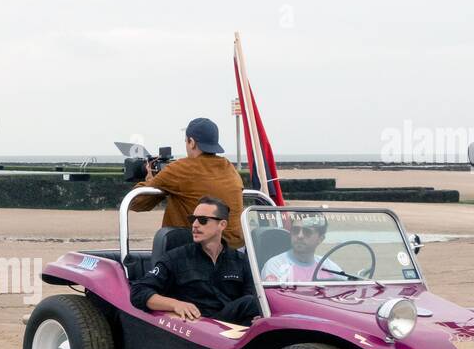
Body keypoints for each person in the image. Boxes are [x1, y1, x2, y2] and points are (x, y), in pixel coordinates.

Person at [130, 196, 261, 324]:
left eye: (203, 220)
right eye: (193, 219)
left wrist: (259, 318)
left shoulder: (240, 260)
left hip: (232, 328)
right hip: (195, 327)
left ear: (222, 224)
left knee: (256, 301)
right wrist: (175, 304)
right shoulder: (175, 258)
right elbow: (139, 291)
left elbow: (253, 297)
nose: (195, 225)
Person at [130, 117, 245, 249]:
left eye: (186, 141)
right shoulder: (229, 168)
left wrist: (150, 180)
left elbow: (136, 202)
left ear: (191, 142)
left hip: (198, 255)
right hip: (234, 251)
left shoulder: (182, 168)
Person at [260, 212, 343, 282]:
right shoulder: (275, 266)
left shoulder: (329, 267)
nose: (300, 235)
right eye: (295, 230)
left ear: (320, 239)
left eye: (307, 232)